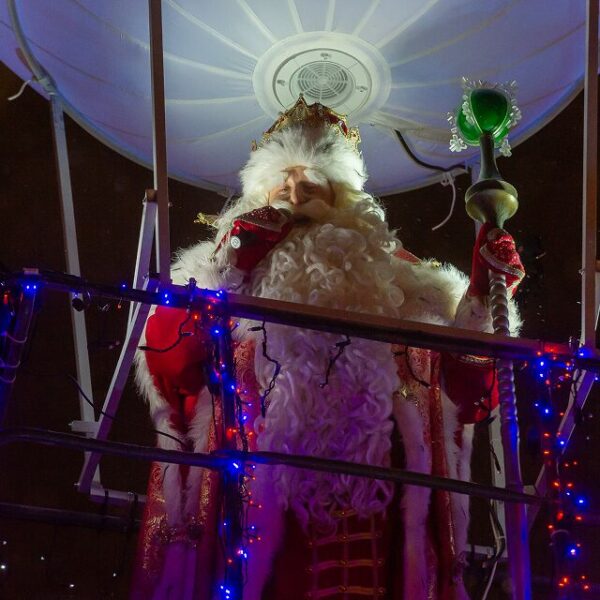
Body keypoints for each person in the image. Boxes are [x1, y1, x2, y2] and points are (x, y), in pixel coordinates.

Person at [130, 96, 524, 600]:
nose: (295, 196)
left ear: (343, 197)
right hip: (254, 499)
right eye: (282, 184)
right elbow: (170, 368)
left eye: (312, 183)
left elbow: (471, 393)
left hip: (381, 501)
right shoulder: (216, 271)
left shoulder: (407, 284)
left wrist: (485, 297)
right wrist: (232, 264)